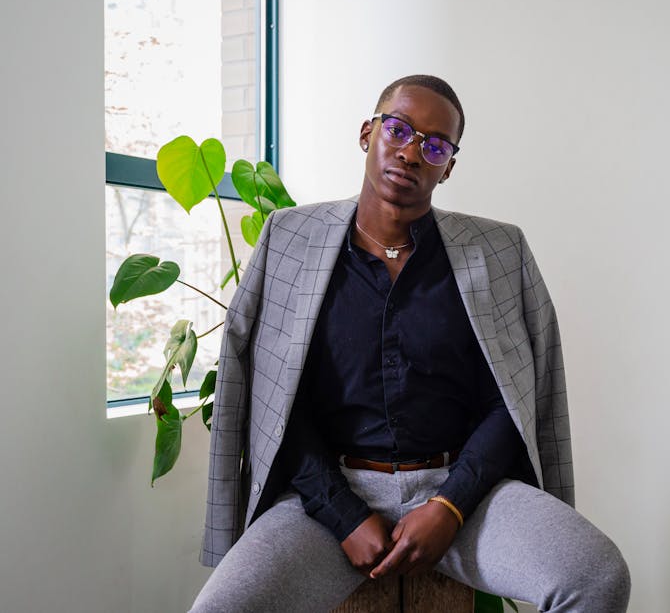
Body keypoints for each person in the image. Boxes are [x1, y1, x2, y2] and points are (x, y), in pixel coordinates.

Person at [191, 75, 630, 612]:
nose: (411, 151)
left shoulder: (498, 250)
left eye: (435, 144)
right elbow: (279, 401)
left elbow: (508, 400)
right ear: (366, 134)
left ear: (448, 165)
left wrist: (451, 504)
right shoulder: (290, 237)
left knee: (598, 576)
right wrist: (342, 513)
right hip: (327, 500)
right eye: (397, 129)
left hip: (466, 493)